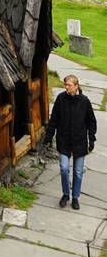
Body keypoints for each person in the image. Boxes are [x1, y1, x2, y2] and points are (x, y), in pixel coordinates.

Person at [44, 74, 97, 209]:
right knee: (64, 168)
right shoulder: (61, 99)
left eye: (69, 85)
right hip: (64, 140)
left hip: (79, 142)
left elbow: (91, 121)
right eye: (65, 84)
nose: (66, 87)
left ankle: (75, 197)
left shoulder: (84, 101)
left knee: (78, 172)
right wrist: (49, 137)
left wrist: (91, 139)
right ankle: (66, 194)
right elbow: (54, 119)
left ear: (76, 86)